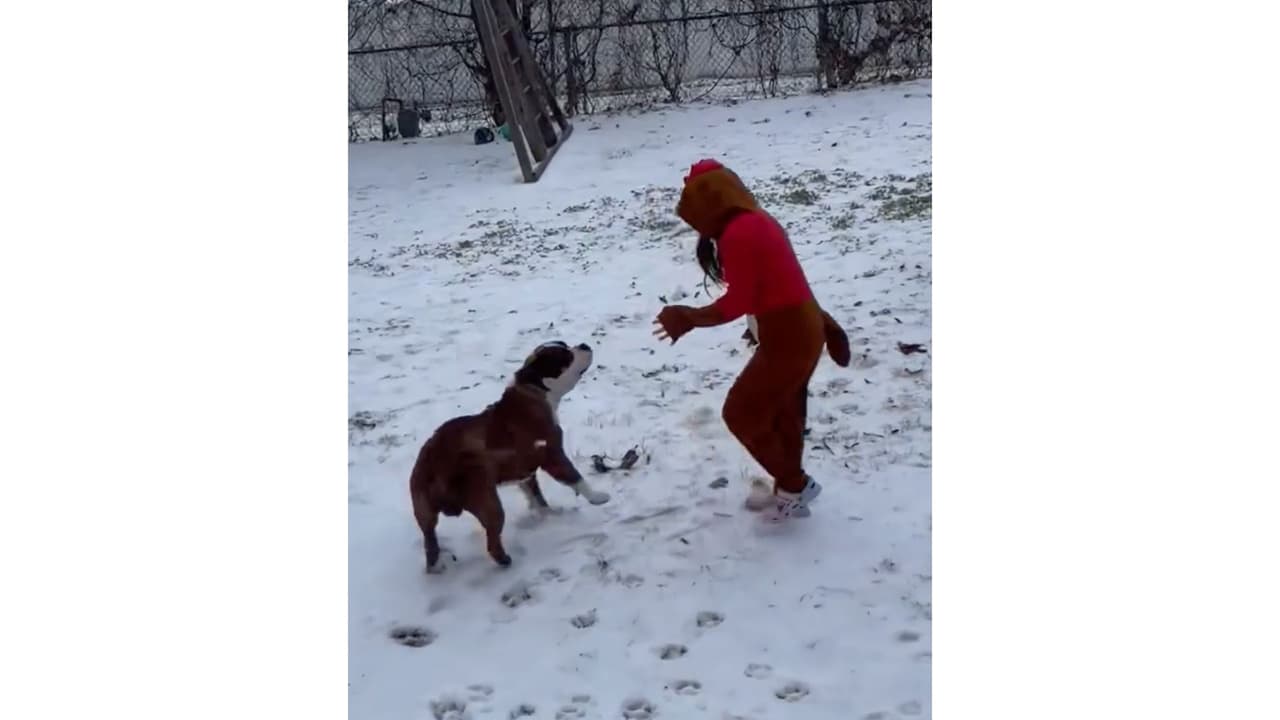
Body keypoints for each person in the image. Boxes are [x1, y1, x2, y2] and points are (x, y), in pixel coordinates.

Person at [654, 159, 851, 522]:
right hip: (801, 327)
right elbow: (784, 281)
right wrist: (826, 325)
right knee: (783, 411)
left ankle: (795, 484)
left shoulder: (739, 233)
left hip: (790, 336)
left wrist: (689, 317)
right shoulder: (757, 220)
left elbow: (738, 301)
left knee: (741, 413)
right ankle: (790, 491)